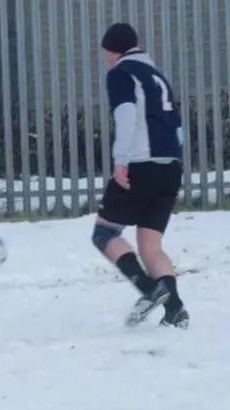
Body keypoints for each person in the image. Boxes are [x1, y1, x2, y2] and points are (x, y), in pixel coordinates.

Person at [92, 23, 189, 330]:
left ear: (113, 50)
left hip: (140, 162)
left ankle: (151, 291)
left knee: (105, 234)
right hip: (170, 165)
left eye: (106, 52)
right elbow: (176, 124)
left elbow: (126, 114)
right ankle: (175, 311)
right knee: (151, 245)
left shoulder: (122, 73)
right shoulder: (157, 76)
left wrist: (121, 160)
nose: (106, 58)